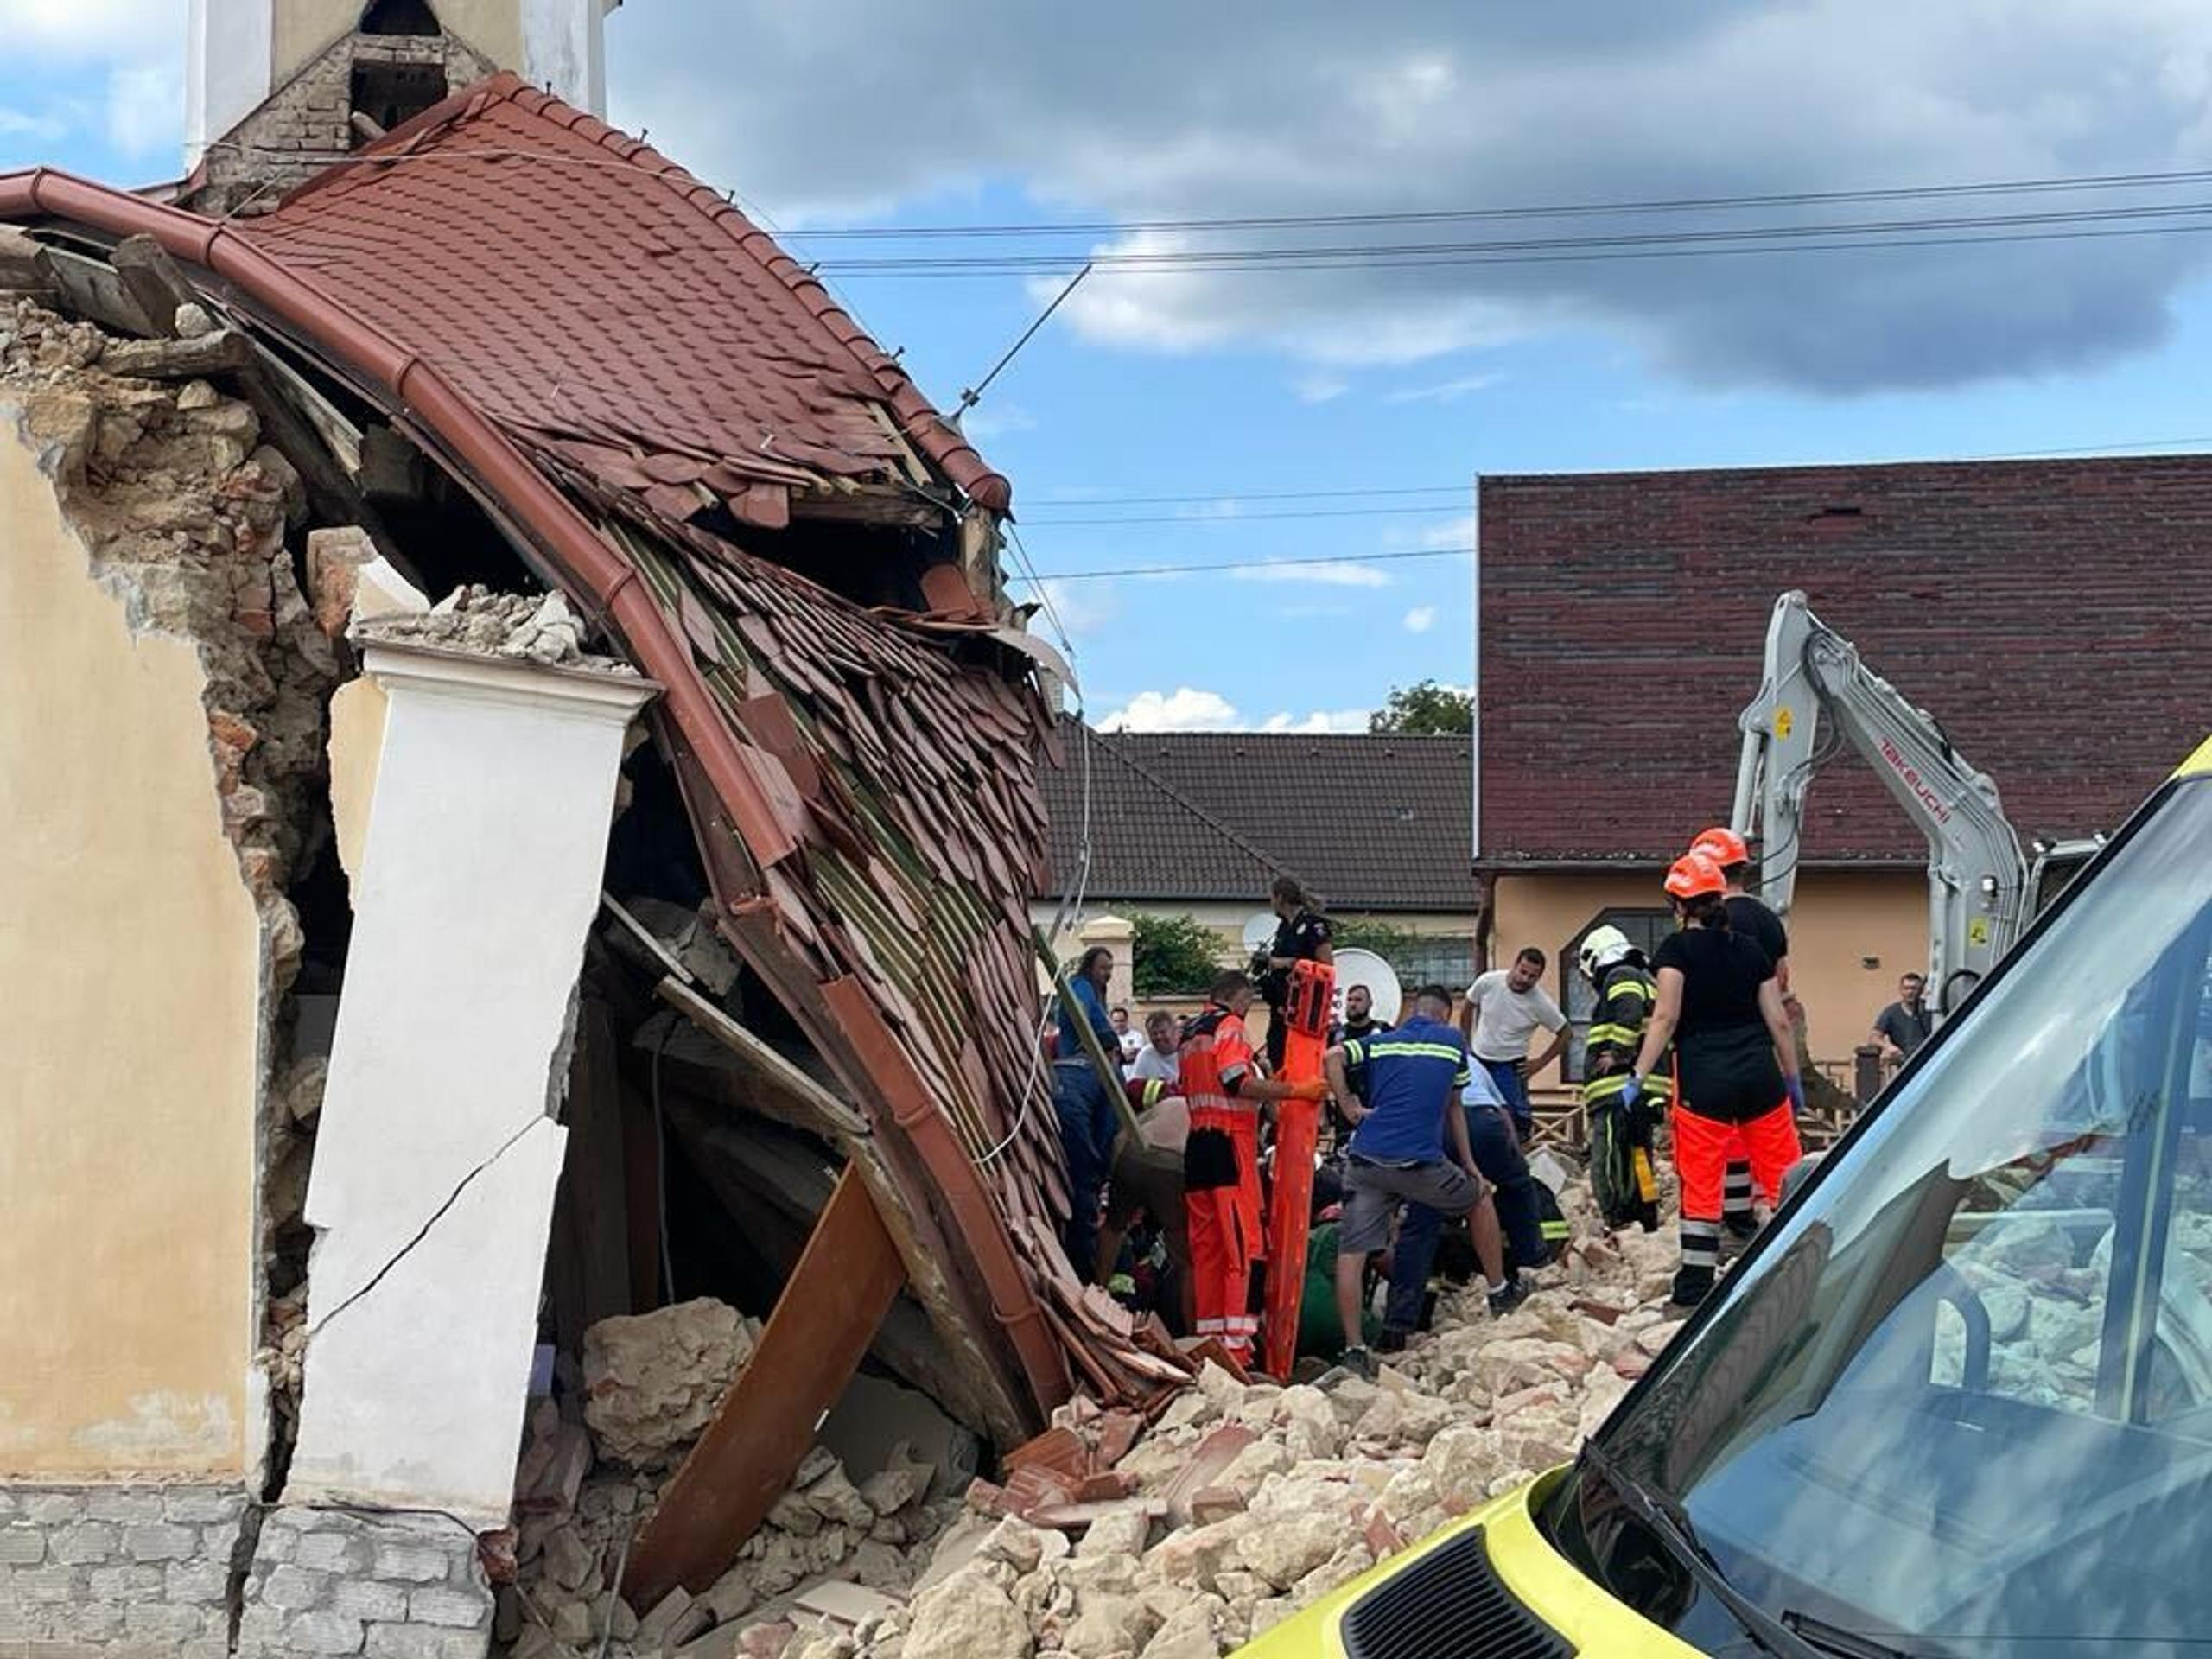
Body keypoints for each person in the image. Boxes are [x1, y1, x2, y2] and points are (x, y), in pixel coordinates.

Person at [1623, 853, 1805, 1309]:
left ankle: (1695, 1288)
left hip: (1705, 1081)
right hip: (1760, 1078)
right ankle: (1808, 1264)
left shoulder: (1676, 951)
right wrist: (1792, 1076)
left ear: (1680, 905)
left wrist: (1638, 1075)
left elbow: (1665, 1017)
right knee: (1786, 1174)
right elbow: (1778, 1020)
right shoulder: (1749, 948)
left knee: (1702, 1183)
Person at [1325, 984, 1510, 1378]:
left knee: (1352, 1252)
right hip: (1419, 1163)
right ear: (1444, 1013)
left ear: (1412, 1011)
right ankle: (1499, 1292)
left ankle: (1354, 1349)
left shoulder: (1381, 1042)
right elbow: (1454, 1107)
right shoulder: (1451, 1042)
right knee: (1479, 1199)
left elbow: (1332, 1055)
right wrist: (1470, 1165)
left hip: (1366, 1159)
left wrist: (1348, 1106)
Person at [1180, 970, 1326, 1363]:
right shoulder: (1230, 1026)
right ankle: (1238, 1349)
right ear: (1239, 998)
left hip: (1197, 1147)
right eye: (1249, 1004)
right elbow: (1236, 1083)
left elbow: (1208, 1086)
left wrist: (1268, 1086)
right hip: (1230, 1147)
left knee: (1207, 1249)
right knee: (1245, 1249)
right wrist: (1295, 1091)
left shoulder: (1192, 1031)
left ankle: (1209, 1343)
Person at [1382, 1058, 1541, 1347]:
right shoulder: (1473, 1063)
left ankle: (1399, 1322)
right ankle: (1527, 1266)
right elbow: (1503, 1110)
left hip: (1434, 1128)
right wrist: (1513, 1156)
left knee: (1422, 1222)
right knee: (1515, 1188)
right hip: (1483, 1122)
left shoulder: (1404, 1058)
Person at [1692, 826, 1791, 1241]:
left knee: (1721, 1141)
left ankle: (1734, 1225)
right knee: (1771, 1142)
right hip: (1760, 1039)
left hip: (1708, 1046)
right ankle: (1787, 1220)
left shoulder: (1706, 921)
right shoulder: (1768, 918)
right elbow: (1782, 980)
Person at [1577, 924, 1669, 1233]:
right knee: (1640, 1155)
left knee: (1609, 1156)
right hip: (1645, 1086)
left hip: (1618, 1089)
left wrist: (1617, 1053)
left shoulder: (1621, 976)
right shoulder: (1647, 980)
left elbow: (1628, 1013)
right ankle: (1646, 1213)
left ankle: (1616, 1217)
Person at [1052, 946, 1123, 1276]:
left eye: (1110, 968)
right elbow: (1077, 1014)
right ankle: (1081, 1264)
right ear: (1089, 966)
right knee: (1085, 1173)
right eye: (1103, 967)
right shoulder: (1081, 986)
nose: (1107, 973)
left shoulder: (1098, 996)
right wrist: (1098, 1038)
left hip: (1086, 1082)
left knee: (1087, 1175)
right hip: (1081, 1075)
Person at [1460, 947, 1570, 1139]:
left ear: (1539, 978)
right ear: (1515, 965)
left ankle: (1516, 1158)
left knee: (1514, 1118)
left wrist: (1540, 1062)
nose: (1525, 979)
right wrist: (1465, 1043)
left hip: (1510, 1066)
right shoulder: (1489, 982)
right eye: (1523, 971)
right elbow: (1468, 1005)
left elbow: (1566, 1033)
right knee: (1473, 1108)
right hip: (1479, 1058)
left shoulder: (1540, 1003)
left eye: (1532, 976)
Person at [1255, 874, 1334, 1071]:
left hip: (1304, 1009)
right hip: (1281, 1007)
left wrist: (1287, 963)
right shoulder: (1283, 928)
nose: (1270, 902)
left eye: (1272, 897)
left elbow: (1326, 966)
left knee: (1300, 1063)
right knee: (1277, 1058)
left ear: (1280, 898)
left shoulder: (1313, 926)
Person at [1870, 972, 1934, 1069]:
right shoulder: (1891, 1012)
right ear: (1901, 990)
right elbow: (1874, 1037)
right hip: (1905, 1067)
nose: (1910, 992)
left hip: (1930, 1063)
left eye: (1914, 988)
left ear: (1921, 990)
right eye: (1906, 988)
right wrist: (1888, 1047)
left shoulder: (1931, 1011)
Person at [1129, 1010, 1181, 1086]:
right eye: (1154, 1034)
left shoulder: (1187, 1051)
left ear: (1174, 1031)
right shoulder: (1145, 1054)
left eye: (1163, 1032)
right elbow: (1134, 1086)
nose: (1159, 1037)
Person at [1109, 1004, 1142, 1069]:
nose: (1119, 1024)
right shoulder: (1109, 1038)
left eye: (1122, 1021)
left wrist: (1117, 1053)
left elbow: (1136, 1055)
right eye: (1116, 1021)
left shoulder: (1136, 1036)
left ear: (1127, 1020)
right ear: (1111, 1022)